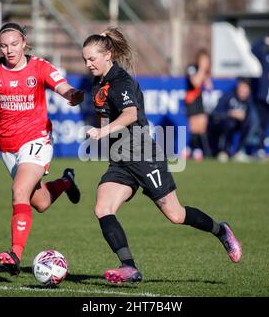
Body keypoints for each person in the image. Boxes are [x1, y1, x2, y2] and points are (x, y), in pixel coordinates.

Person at [80, 27, 242, 285]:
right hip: (120, 159)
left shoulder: (121, 81)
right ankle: (129, 267)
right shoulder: (99, 80)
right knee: (102, 208)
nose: (88, 64)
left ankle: (220, 230)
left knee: (176, 215)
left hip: (144, 155)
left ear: (108, 55)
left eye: (92, 59)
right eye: (85, 60)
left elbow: (131, 114)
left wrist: (103, 131)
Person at [0, 22, 84, 276]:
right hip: (8, 148)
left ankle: (15, 254)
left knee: (19, 190)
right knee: (41, 202)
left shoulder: (39, 66)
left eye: (14, 44)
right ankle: (67, 181)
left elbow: (62, 86)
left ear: (24, 43)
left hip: (37, 139)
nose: (10, 50)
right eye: (4, 45)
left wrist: (72, 95)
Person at [211, 78, 253, 162]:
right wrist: (230, 113)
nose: (243, 91)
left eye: (246, 89)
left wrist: (243, 116)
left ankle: (239, 151)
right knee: (229, 123)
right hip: (222, 124)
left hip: (238, 125)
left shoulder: (248, 101)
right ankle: (224, 152)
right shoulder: (228, 96)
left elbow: (249, 115)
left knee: (248, 123)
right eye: (242, 88)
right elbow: (215, 113)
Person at [182, 49, 212, 161]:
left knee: (202, 127)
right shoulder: (192, 68)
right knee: (194, 128)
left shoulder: (204, 71)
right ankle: (190, 150)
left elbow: (209, 86)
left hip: (199, 99)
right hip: (191, 100)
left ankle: (200, 151)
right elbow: (195, 82)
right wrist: (202, 69)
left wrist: (206, 74)